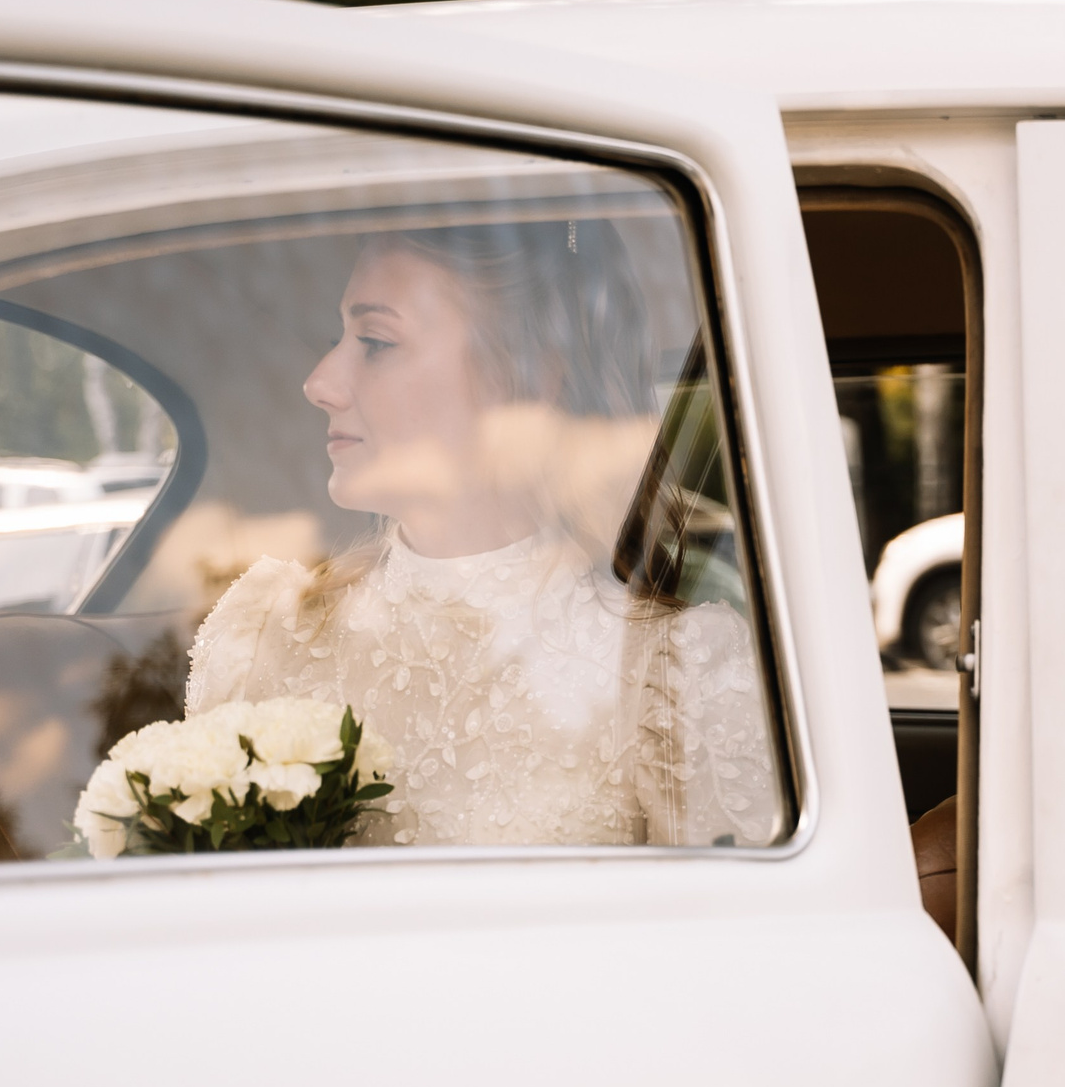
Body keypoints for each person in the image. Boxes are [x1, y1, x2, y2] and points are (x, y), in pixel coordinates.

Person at [184, 221, 781, 849]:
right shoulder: (263, 636)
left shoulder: (680, 675)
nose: (319, 384)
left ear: (527, 375)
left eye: (376, 342)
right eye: (339, 338)